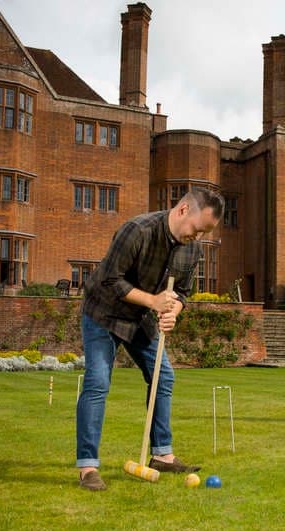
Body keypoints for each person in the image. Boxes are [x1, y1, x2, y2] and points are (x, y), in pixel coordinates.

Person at [76, 188, 225, 491]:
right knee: (98, 382)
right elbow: (110, 280)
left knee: (163, 377)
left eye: (205, 233)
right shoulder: (138, 231)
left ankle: (162, 454)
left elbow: (182, 292)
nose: (198, 237)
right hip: (103, 314)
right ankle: (88, 466)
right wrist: (154, 302)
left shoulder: (191, 249)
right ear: (183, 210)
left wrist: (173, 312)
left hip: (140, 320)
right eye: (198, 229)